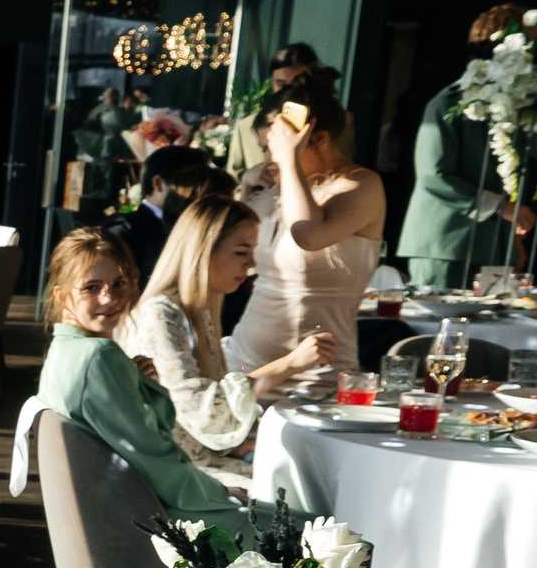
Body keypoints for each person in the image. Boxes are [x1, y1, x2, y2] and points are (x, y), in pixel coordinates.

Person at [37, 225, 243, 534]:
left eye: (119, 282)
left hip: (118, 509)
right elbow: (156, 461)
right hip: (160, 522)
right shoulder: (99, 357)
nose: (110, 296)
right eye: (91, 287)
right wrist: (223, 495)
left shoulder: (63, 352)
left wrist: (135, 383)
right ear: (61, 294)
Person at [118, 196, 336, 487]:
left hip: (198, 460)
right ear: (203, 251)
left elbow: (208, 402)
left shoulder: (196, 312)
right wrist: (289, 364)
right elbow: (204, 410)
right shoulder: (161, 314)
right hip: (176, 475)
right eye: (241, 251)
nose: (252, 263)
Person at [229, 80, 384, 370]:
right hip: (245, 362)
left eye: (275, 148)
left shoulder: (362, 185)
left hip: (317, 370)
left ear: (320, 139)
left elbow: (309, 234)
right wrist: (246, 194)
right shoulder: (276, 184)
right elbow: (229, 250)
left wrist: (289, 161)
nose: (267, 159)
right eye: (265, 149)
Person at [396, 3, 537, 288]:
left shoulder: (519, 107)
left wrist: (513, 239)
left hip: (496, 248)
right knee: (438, 329)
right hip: (445, 247)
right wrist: (502, 207)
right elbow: (434, 178)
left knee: (492, 331)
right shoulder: (447, 103)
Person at [224, 44, 355, 173]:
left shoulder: (335, 122)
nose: (288, 89)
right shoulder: (245, 127)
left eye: (296, 82)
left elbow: (345, 167)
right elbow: (234, 182)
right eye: (281, 83)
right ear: (271, 82)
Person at [103, 144, 213, 284]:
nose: (201, 192)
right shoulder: (125, 228)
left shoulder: (192, 225)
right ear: (158, 183)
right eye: (191, 183)